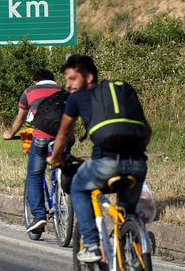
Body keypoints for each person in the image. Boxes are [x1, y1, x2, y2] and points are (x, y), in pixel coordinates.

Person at [47, 54, 150, 263]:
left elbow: (64, 134)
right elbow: (147, 131)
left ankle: (92, 244)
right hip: (138, 164)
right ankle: (133, 250)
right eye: (66, 80)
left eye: (72, 78)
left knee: (78, 187)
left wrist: (55, 158)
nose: (68, 85)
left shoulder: (76, 98)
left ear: (89, 76)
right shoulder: (123, 93)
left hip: (105, 163)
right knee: (127, 212)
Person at [2, 69, 65, 232]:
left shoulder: (30, 91)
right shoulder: (62, 90)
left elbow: (20, 119)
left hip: (42, 136)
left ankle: (38, 216)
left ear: (35, 81)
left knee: (34, 174)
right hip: (65, 136)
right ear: (53, 80)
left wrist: (10, 134)